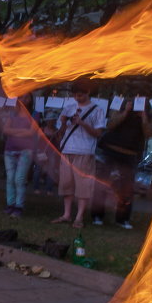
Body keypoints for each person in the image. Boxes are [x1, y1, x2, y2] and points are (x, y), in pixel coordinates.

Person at [51, 82, 105, 228]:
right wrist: (63, 123)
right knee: (66, 183)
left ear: (87, 91)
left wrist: (82, 123)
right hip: (67, 149)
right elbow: (60, 132)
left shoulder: (97, 110)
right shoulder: (68, 108)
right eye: (74, 95)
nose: (77, 97)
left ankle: (79, 217)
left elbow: (98, 133)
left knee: (83, 185)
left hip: (85, 151)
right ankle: (66, 214)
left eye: (80, 94)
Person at [91, 103, 152, 229]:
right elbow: (110, 125)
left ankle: (122, 219)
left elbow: (148, 133)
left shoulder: (148, 112)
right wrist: (125, 111)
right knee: (102, 184)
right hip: (110, 150)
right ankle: (97, 215)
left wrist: (144, 117)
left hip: (130, 154)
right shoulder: (121, 105)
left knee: (126, 188)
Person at [1, 95, 37, 217]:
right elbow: (5, 130)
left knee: (19, 179)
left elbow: (32, 132)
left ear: (31, 99)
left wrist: (14, 132)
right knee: (10, 179)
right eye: (22, 97)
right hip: (10, 150)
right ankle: (10, 204)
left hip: (25, 151)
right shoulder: (13, 114)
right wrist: (23, 132)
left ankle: (19, 206)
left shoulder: (35, 114)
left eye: (27, 97)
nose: (25, 100)